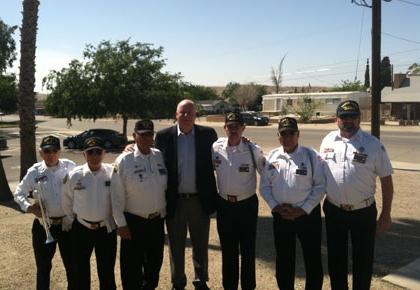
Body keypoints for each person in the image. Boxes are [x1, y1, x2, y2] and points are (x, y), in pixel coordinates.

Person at [320, 100, 394, 290]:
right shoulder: (327, 141)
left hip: (364, 212)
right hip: (334, 210)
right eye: (344, 117)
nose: (348, 120)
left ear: (359, 118)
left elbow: (386, 180)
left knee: (363, 260)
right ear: (337, 119)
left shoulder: (373, 145)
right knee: (336, 260)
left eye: (353, 116)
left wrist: (386, 213)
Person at [154, 99, 218, 290]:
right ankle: (178, 281)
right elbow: (152, 156)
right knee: (176, 245)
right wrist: (130, 147)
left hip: (199, 200)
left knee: (200, 244)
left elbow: (223, 152)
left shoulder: (208, 135)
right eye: (183, 112)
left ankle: (200, 280)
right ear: (176, 114)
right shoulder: (164, 136)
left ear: (196, 115)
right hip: (175, 200)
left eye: (190, 112)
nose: (186, 116)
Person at [260, 117, 325, 290]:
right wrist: (275, 206)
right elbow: (265, 186)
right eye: (283, 133)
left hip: (307, 216)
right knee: (284, 260)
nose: (287, 137)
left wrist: (302, 210)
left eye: (291, 133)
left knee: (312, 259)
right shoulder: (272, 156)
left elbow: (320, 186)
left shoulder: (311, 156)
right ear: (278, 135)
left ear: (298, 134)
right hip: (281, 216)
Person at [14, 135, 76, 290]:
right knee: (43, 269)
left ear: (60, 152)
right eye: (47, 151)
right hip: (43, 227)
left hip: (67, 226)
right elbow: (19, 193)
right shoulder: (34, 171)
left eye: (55, 150)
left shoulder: (71, 167)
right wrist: (28, 207)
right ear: (41, 153)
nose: (51, 154)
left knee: (72, 267)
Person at [111, 120, 167, 290]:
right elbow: (116, 196)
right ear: (134, 136)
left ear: (153, 136)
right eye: (141, 134)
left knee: (154, 264)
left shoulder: (159, 155)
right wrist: (121, 224)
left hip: (157, 221)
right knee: (131, 267)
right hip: (134, 222)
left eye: (149, 134)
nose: (145, 138)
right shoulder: (124, 160)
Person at [212, 112, 265, 290]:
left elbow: (267, 174)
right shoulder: (216, 147)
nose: (233, 129)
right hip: (224, 205)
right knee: (228, 252)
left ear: (243, 128)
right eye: (230, 126)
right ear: (225, 128)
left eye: (237, 126)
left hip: (246, 205)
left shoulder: (253, 149)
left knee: (248, 251)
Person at [62, 137, 117, 290]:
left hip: (106, 230)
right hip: (81, 229)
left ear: (104, 153)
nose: (94, 155)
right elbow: (66, 201)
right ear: (83, 155)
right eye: (90, 152)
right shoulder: (74, 175)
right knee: (80, 272)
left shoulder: (112, 172)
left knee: (107, 272)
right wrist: (75, 220)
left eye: (98, 151)